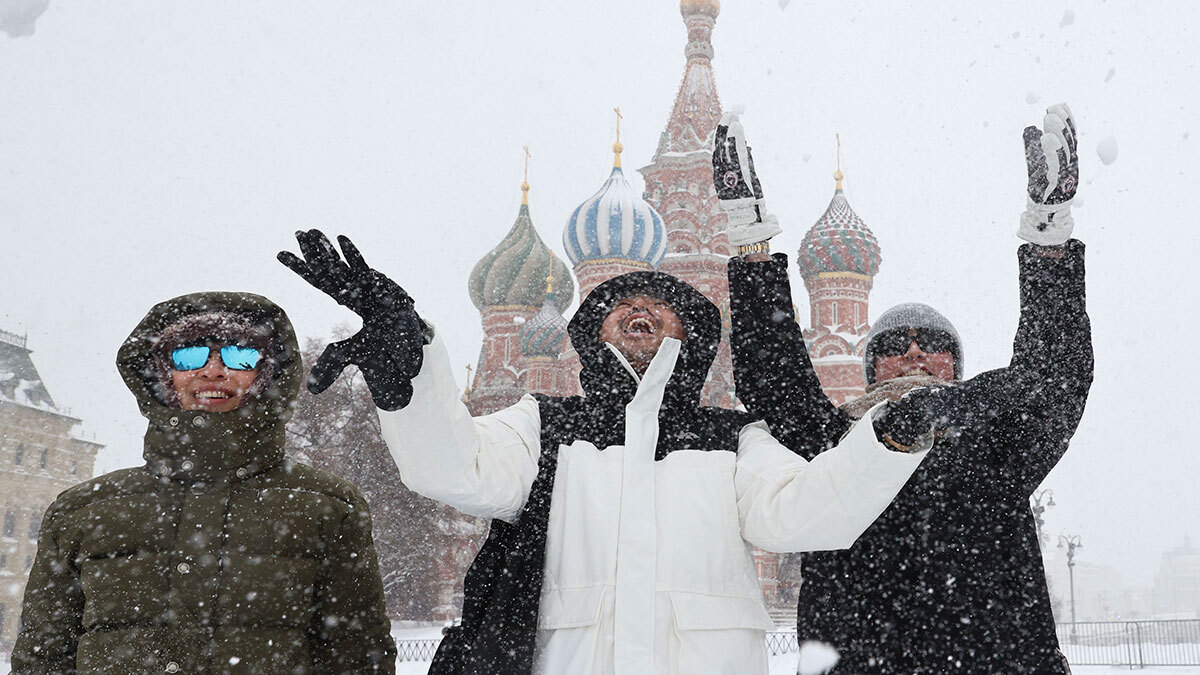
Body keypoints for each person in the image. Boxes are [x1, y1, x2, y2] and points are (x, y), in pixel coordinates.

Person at [279, 232, 930, 675]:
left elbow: (809, 514)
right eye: (621, 302)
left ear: (692, 336)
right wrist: (410, 359)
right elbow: (455, 467)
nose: (640, 305)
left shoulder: (733, 439)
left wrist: (888, 436)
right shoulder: (547, 426)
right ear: (593, 333)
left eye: (661, 304)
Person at [717, 105, 1093, 672]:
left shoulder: (998, 449)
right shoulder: (837, 445)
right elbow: (775, 382)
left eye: (931, 343)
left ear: (957, 367)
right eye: (894, 347)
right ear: (872, 371)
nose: (914, 353)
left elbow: (1055, 375)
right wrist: (750, 242)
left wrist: (1049, 235)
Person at [12, 292, 396, 674]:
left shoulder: (327, 507)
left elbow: (358, 659)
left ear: (265, 375)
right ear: (164, 373)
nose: (213, 370)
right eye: (190, 355)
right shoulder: (81, 513)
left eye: (239, 355)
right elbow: (41, 660)